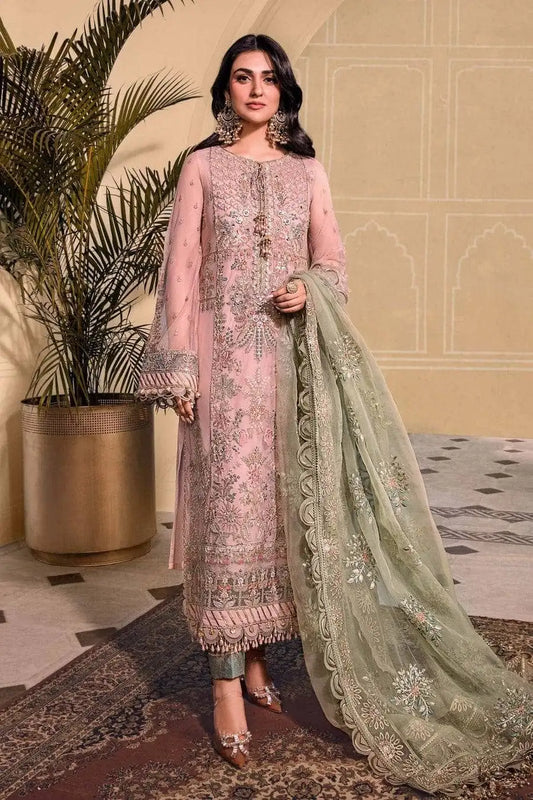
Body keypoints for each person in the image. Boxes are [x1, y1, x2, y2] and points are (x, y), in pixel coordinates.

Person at [136, 33, 532, 794]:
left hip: (293, 367)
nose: (255, 90)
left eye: (268, 79)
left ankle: (257, 662)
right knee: (228, 517)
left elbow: (334, 265)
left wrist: (307, 289)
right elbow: (180, 268)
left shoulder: (306, 173)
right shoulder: (201, 168)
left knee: (286, 514)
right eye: (242, 78)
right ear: (224, 90)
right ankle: (225, 684)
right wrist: (178, 366)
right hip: (223, 370)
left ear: (284, 92)